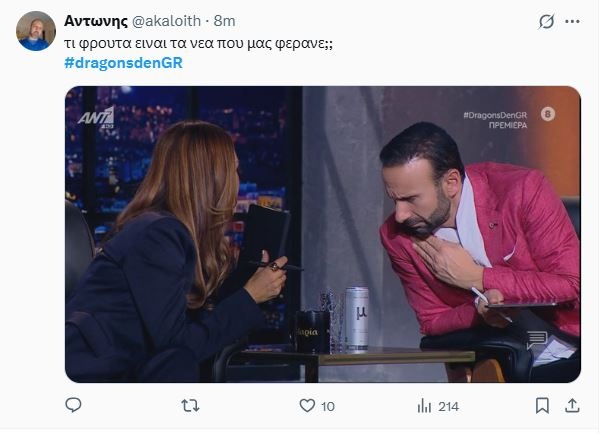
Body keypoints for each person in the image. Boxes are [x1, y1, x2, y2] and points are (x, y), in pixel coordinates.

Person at [66, 120, 288, 382]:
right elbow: (177, 347)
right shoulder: (157, 235)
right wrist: (250, 296)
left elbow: (187, 330)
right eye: (233, 170)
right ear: (209, 178)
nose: (237, 180)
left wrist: (246, 286)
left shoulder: (163, 231)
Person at [379, 121, 580, 382]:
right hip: (504, 362)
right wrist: (480, 312)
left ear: (451, 183)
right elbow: (431, 320)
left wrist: (477, 277)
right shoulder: (396, 236)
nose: (400, 214)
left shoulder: (523, 190)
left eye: (410, 199)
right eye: (394, 199)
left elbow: (572, 283)